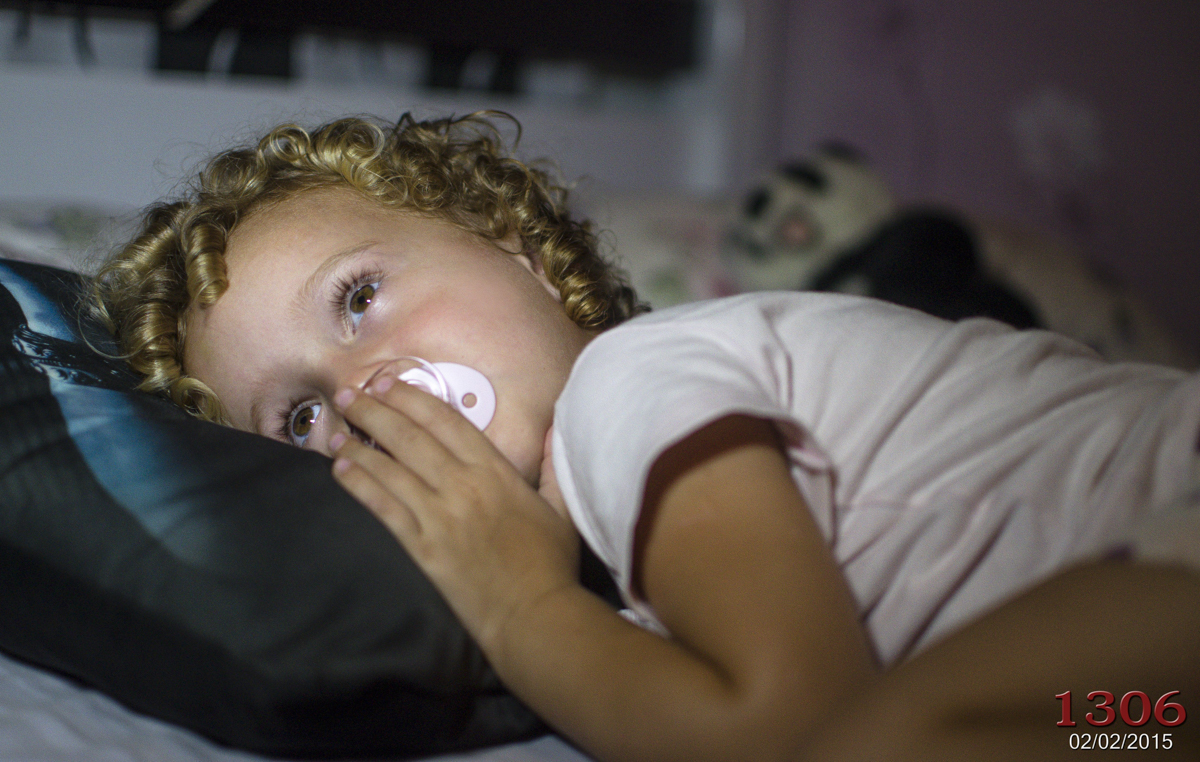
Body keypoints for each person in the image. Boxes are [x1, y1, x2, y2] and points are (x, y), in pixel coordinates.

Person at [92, 113, 1200, 761]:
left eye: (359, 297)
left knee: (894, 743)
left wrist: (523, 608)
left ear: (517, 247)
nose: (362, 388)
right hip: (1138, 710)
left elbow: (787, 726)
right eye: (299, 416)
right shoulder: (621, 555)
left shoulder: (628, 386)